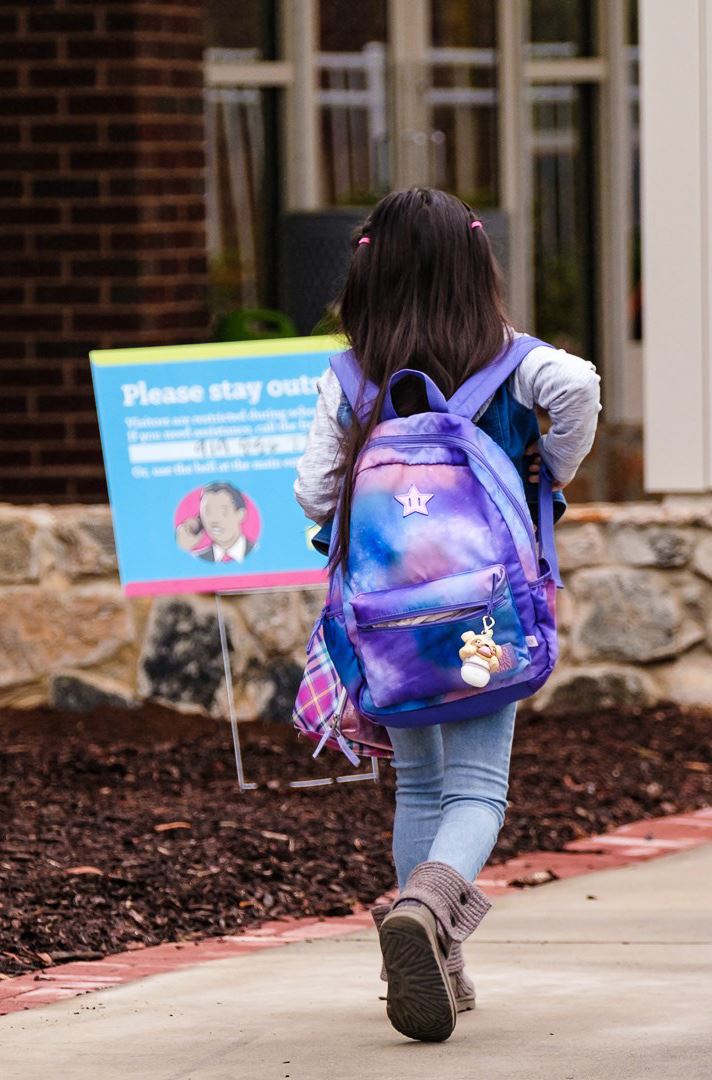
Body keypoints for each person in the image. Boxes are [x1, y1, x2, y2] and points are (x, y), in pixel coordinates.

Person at [293, 187, 601, 1041]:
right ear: (477, 264)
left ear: (369, 270)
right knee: (477, 789)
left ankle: (431, 952)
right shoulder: (511, 359)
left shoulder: (351, 372)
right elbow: (578, 386)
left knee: (420, 784)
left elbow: (312, 492)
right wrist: (550, 467)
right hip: (485, 617)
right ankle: (428, 912)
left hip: (387, 623)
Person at [175, 482, 256, 562]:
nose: (214, 520)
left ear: (240, 514)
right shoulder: (198, 557)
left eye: (223, 511)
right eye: (207, 512)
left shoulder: (258, 551)